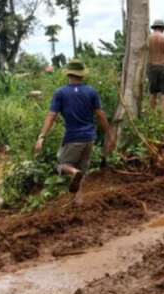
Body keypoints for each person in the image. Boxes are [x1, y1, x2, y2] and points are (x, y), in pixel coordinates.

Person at [33, 59, 115, 195]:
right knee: (82, 172)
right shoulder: (91, 92)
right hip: (89, 138)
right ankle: (79, 201)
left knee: (62, 165)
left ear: (68, 74)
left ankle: (73, 172)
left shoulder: (60, 93)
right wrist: (110, 135)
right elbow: (100, 115)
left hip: (73, 137)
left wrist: (41, 137)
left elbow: (51, 115)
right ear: (82, 75)